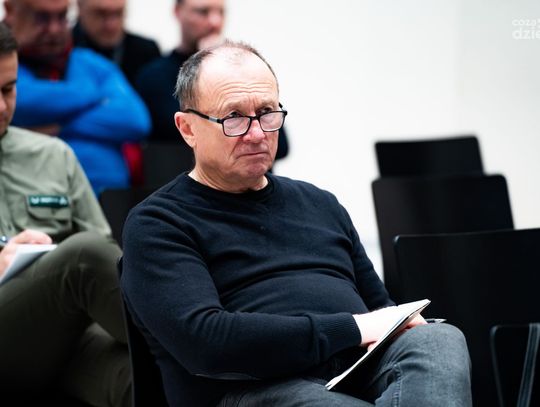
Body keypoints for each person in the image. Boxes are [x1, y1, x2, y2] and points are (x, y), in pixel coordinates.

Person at [121, 41, 472, 406]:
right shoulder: (159, 222)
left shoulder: (320, 203)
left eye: (267, 112)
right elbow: (207, 341)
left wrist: (387, 326)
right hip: (253, 388)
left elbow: (383, 314)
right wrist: (352, 328)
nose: (257, 133)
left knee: (437, 339)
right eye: (234, 117)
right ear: (188, 128)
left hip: (356, 371)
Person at [0, 22, 130, 407]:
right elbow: (91, 258)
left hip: (60, 333)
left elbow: (107, 258)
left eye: (8, 89)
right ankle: (205, 342)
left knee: (139, 374)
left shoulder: (53, 154)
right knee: (82, 257)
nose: (2, 107)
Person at [4, 0, 151, 195]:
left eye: (62, 17)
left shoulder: (89, 62)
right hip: (30, 195)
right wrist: (94, 97)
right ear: (11, 11)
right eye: (42, 18)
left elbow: (135, 120)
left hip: (110, 197)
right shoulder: (6, 65)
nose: (54, 29)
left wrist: (59, 127)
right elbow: (25, 101)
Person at [135, 0, 288, 172]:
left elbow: (281, 146)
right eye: (203, 12)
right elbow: (180, 144)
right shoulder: (155, 77)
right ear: (178, 12)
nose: (215, 22)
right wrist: (211, 59)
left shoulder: (248, 70)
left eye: (221, 12)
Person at [73, 0, 161, 87]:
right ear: (80, 7)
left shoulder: (146, 52)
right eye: (100, 14)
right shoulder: (67, 50)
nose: (111, 25)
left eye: (118, 13)